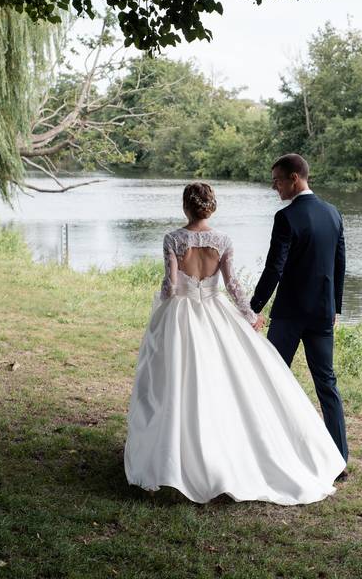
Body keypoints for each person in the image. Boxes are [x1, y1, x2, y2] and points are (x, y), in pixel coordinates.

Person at [124, 181, 346, 505]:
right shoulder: (223, 240)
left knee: (173, 383)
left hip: (180, 316)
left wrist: (162, 303)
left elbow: (170, 287)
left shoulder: (173, 239)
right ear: (210, 207)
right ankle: (222, 450)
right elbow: (233, 285)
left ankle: (174, 456)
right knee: (222, 381)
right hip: (216, 312)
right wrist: (249, 314)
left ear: (186, 206)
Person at [250, 154, 349, 477]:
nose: (274, 187)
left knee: (270, 378)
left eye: (277, 180)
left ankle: (268, 453)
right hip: (321, 313)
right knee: (327, 384)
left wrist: (254, 305)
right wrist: (335, 307)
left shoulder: (287, 217)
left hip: (290, 314)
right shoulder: (333, 214)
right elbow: (339, 265)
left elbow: (274, 268)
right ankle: (339, 460)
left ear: (295, 178)